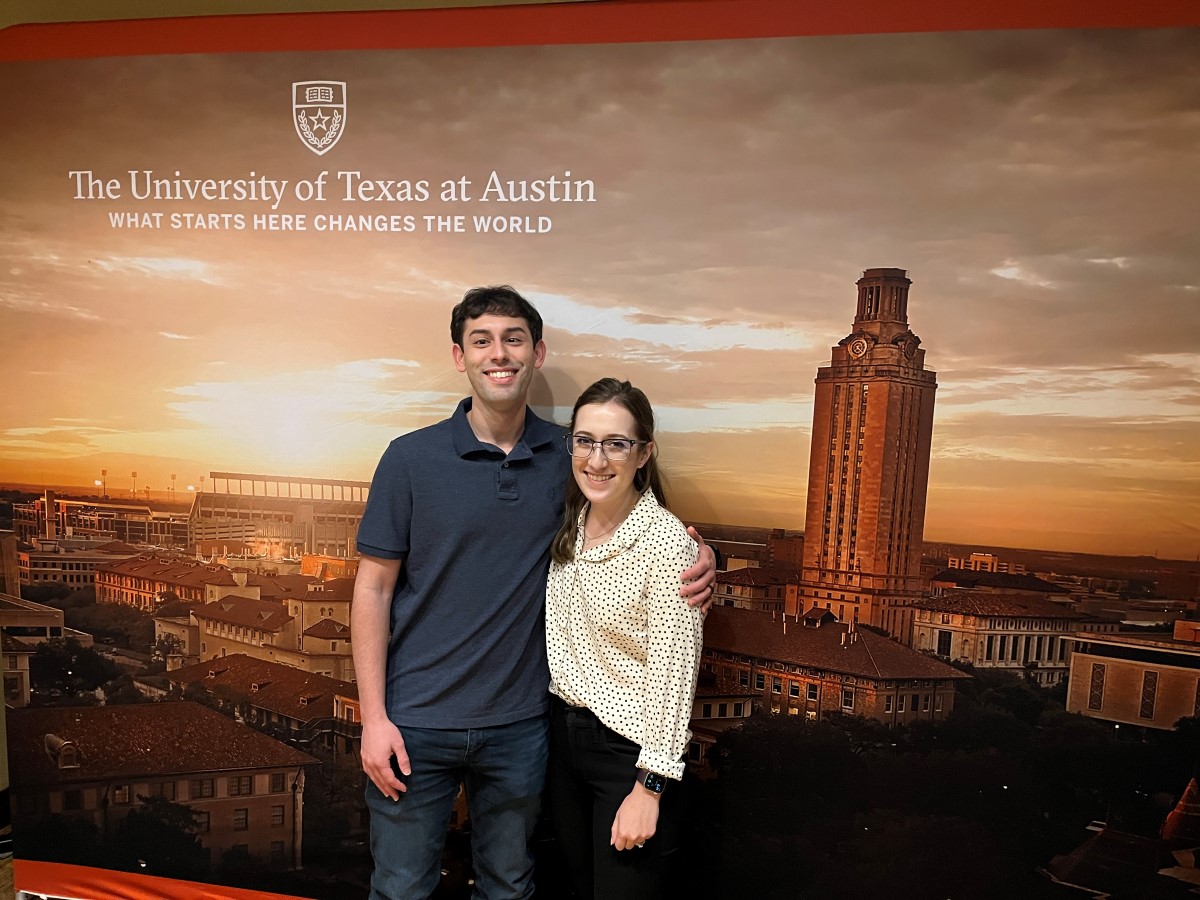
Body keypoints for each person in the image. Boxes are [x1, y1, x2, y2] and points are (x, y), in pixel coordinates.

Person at [351, 286, 716, 900]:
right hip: (416, 724)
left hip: (521, 728)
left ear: (537, 352)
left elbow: (634, 519)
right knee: (400, 890)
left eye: (514, 338)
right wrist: (373, 717)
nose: (500, 354)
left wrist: (702, 556)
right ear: (458, 356)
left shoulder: (568, 458)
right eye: (482, 340)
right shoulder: (409, 459)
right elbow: (372, 590)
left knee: (508, 889)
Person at [545, 378, 703, 900]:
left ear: (643, 454)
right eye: (585, 440)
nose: (597, 458)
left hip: (627, 759)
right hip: (559, 748)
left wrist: (649, 787)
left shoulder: (664, 541)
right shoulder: (570, 522)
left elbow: (675, 672)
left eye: (616, 443)